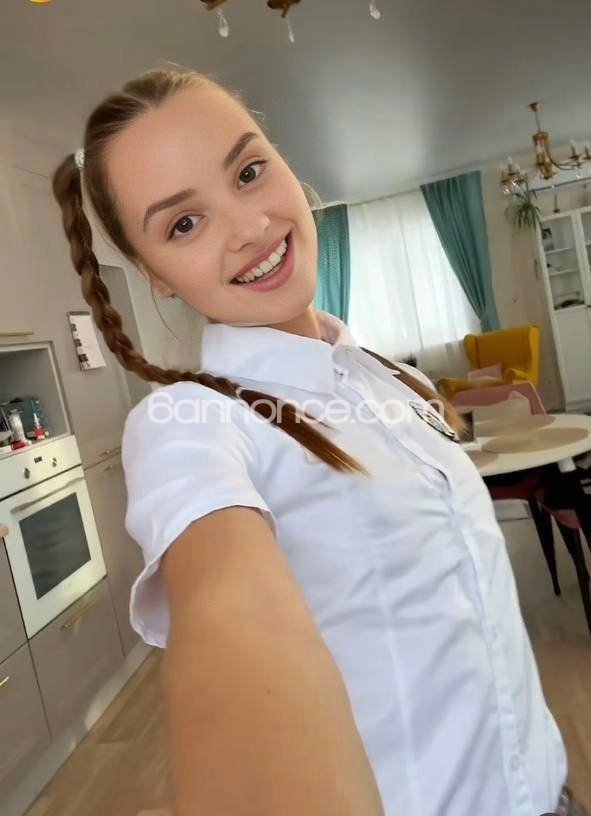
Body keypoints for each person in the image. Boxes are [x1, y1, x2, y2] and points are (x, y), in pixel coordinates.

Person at [51, 65, 582, 816]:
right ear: (152, 273)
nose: (248, 228)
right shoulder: (188, 425)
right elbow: (230, 620)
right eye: (183, 224)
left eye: (248, 172)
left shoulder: (392, 378)